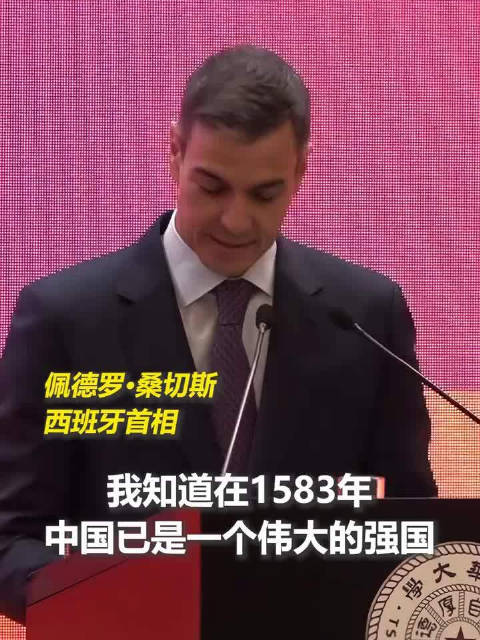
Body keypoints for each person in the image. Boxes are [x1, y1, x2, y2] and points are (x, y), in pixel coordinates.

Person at [0, 44, 436, 623]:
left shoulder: (366, 316)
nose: (235, 220)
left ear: (301, 169)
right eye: (212, 187)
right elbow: (13, 539)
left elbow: (411, 525)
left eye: (265, 194)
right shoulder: (65, 320)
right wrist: (107, 607)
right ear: (175, 152)